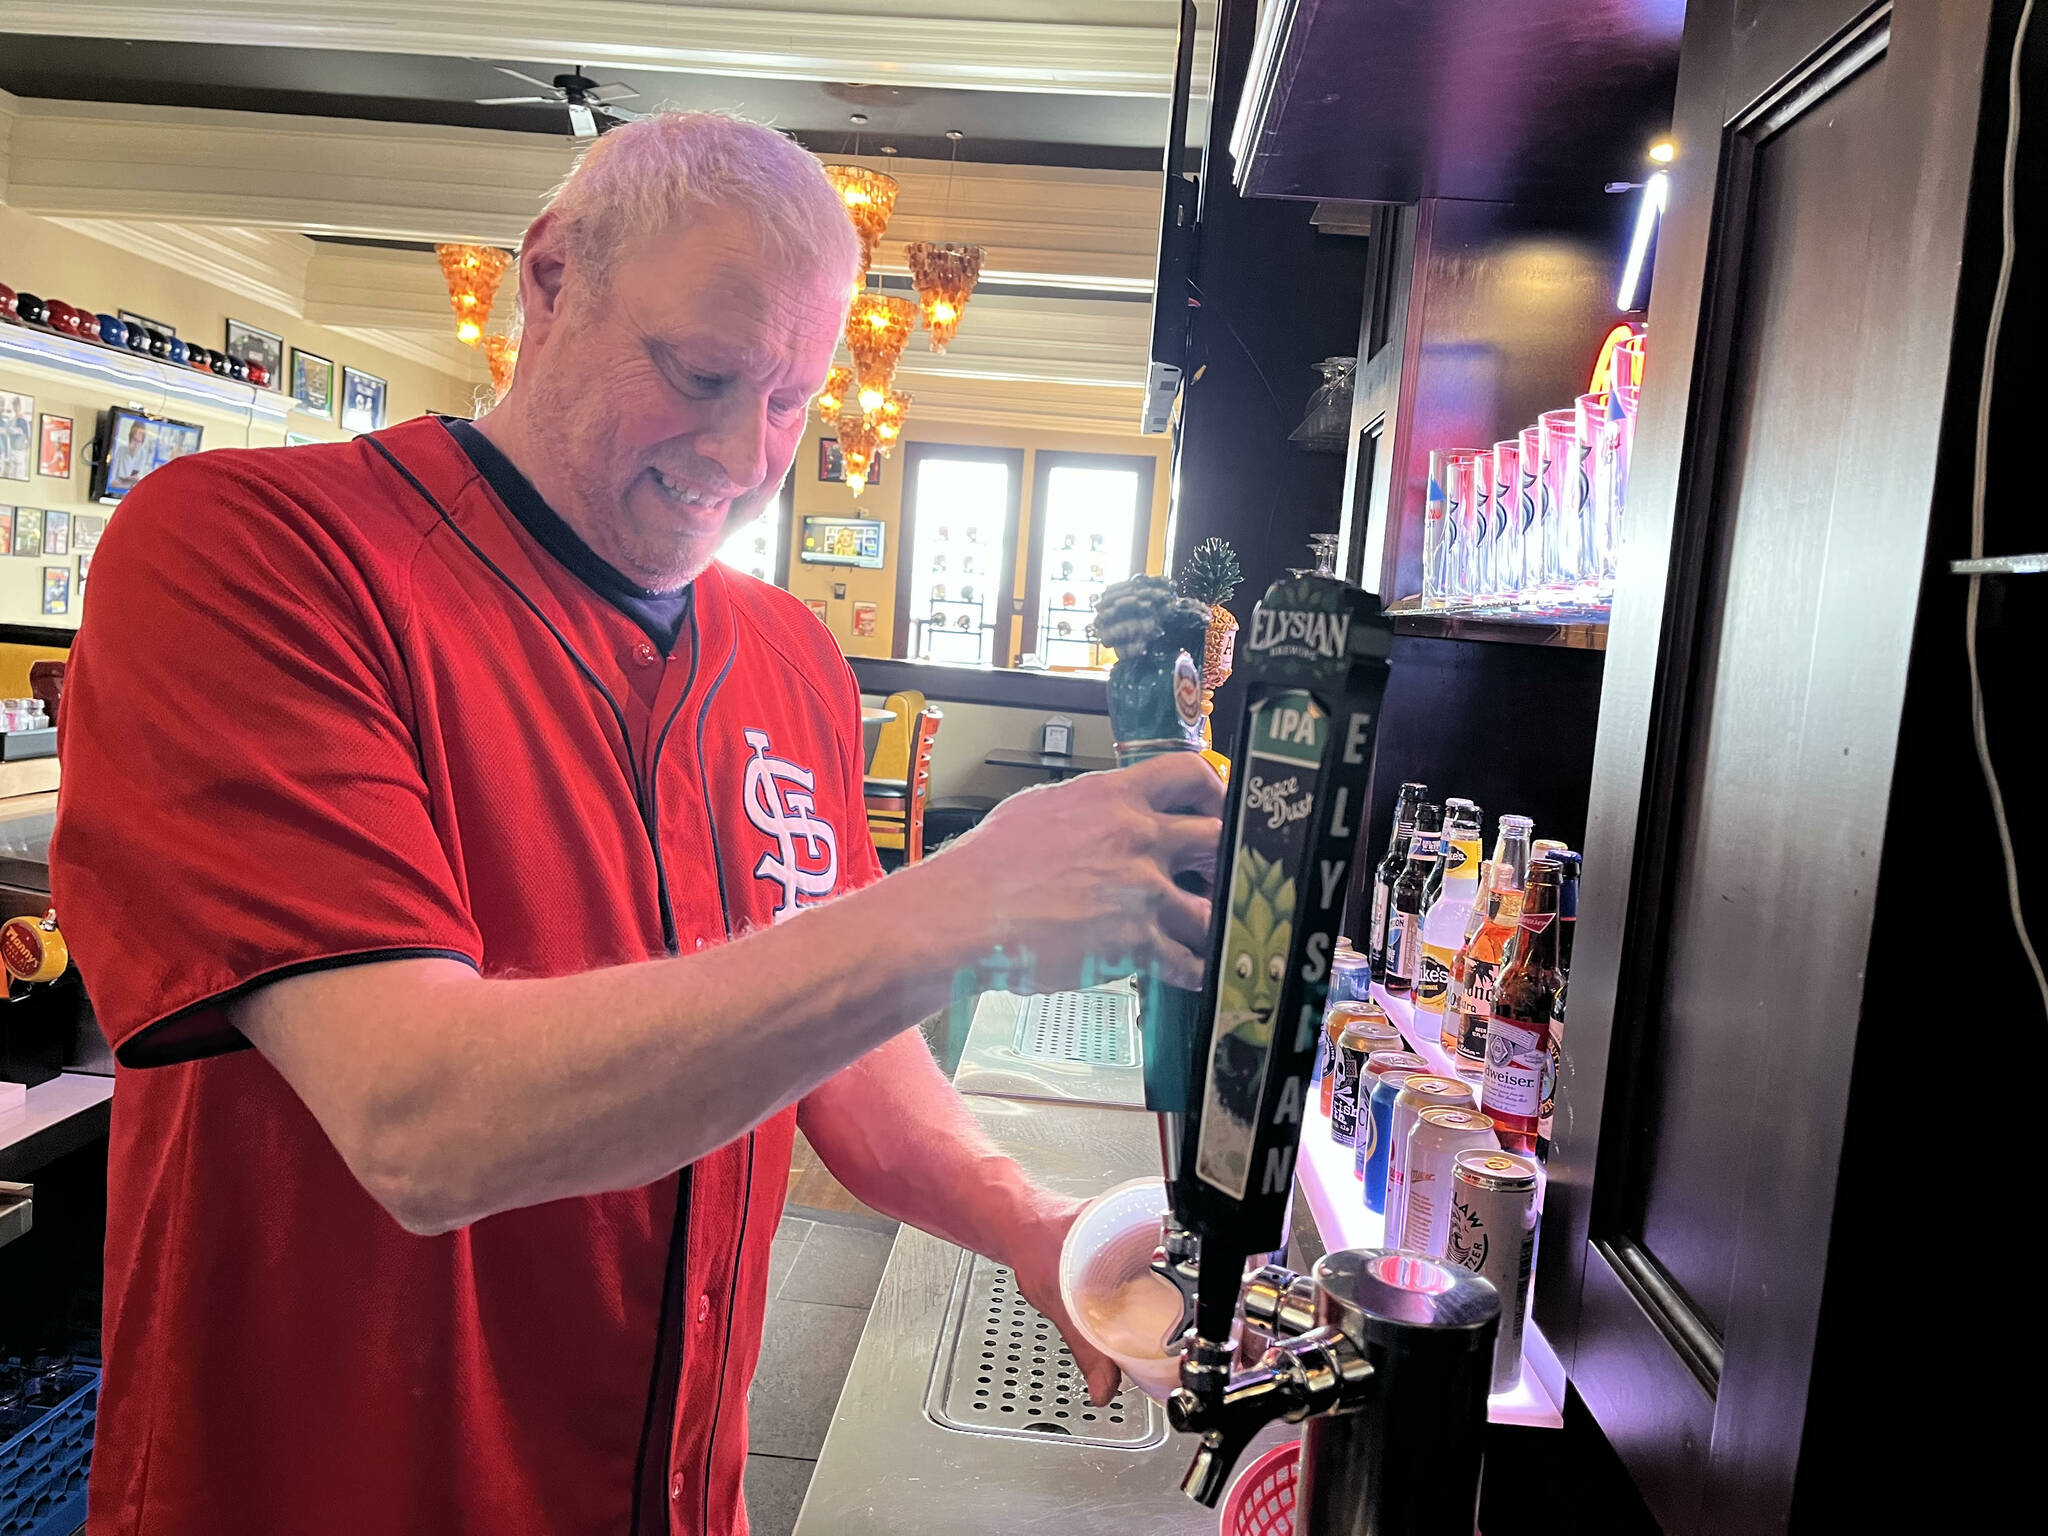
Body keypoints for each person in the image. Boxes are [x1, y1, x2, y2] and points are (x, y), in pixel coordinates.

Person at [49, 112, 1219, 1536]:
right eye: (703, 374)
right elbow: (423, 1123)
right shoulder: (253, 550)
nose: (743, 453)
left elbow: (846, 1054)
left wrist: (1031, 1228)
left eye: (790, 398)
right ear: (549, 281)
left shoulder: (786, 656)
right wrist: (954, 911)